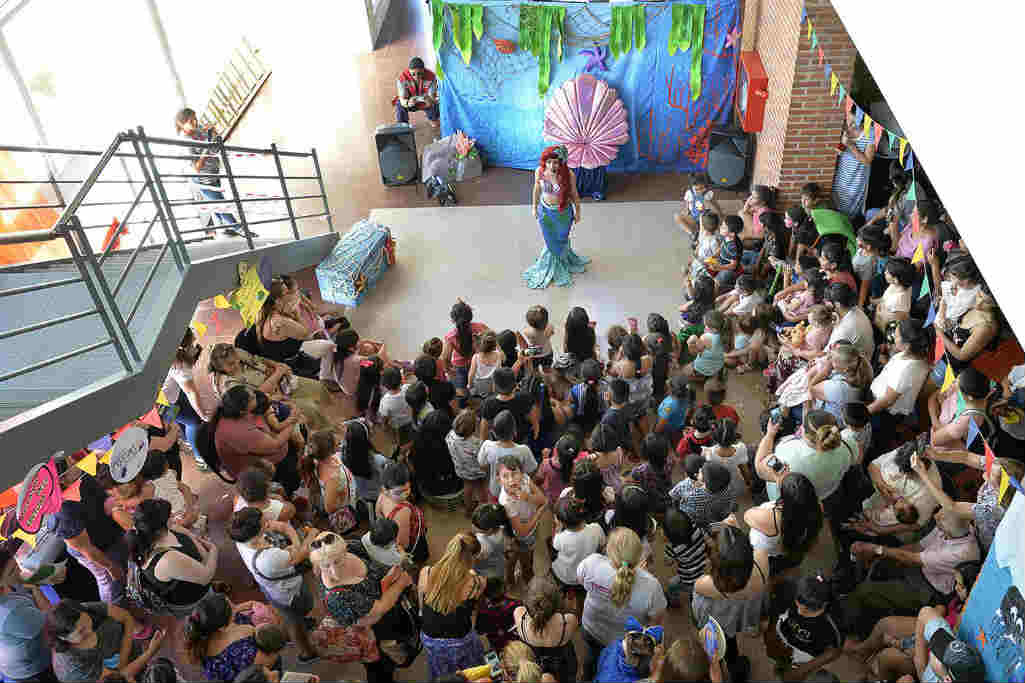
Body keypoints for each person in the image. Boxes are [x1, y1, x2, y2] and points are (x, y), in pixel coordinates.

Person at [844, 507, 980, 639]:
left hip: (929, 590)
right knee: (879, 566)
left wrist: (876, 549)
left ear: (948, 533)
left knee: (866, 591)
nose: (937, 528)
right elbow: (918, 546)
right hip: (919, 569)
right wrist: (882, 557)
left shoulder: (960, 552)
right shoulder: (952, 525)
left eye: (940, 527)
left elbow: (912, 558)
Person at [310, 530, 413, 683]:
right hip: (370, 631)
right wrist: (399, 584)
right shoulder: (337, 597)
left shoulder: (353, 547)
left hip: (382, 615)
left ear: (345, 550)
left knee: (388, 658)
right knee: (379, 667)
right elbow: (380, 608)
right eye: (326, 566)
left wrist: (387, 579)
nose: (334, 571)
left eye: (338, 561)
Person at [228, 507, 318, 662]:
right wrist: (310, 536)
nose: (268, 523)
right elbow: (300, 555)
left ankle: (299, 624)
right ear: (257, 532)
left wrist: (292, 547)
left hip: (270, 586)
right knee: (294, 621)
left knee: (292, 615)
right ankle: (306, 652)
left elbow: (282, 527)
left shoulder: (241, 538)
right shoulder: (268, 558)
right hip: (287, 592)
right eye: (264, 522)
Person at [577, 528, 667, 680]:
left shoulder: (591, 563)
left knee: (591, 658)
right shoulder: (651, 586)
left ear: (608, 550)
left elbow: (580, 582)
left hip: (592, 628)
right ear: (639, 557)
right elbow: (655, 622)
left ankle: (587, 676)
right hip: (627, 644)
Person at [692, 524, 769, 681]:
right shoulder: (761, 568)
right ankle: (737, 674)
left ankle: (717, 667)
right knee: (732, 651)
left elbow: (697, 606)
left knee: (716, 651)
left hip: (715, 626)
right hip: (737, 621)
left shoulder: (704, 585)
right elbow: (757, 552)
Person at [914, 448, 1023, 552]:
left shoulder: (995, 508)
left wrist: (923, 474)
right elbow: (966, 457)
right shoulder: (1002, 468)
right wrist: (937, 455)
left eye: (989, 475)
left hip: (994, 541)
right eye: (988, 468)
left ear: (1000, 490)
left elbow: (953, 507)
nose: (984, 474)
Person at [125, 499, 218, 617]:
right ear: (162, 525)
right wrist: (214, 550)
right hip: (193, 599)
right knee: (211, 615)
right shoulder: (166, 559)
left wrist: (205, 555)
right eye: (170, 515)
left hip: (196, 577)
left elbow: (190, 536)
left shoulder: (165, 531)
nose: (174, 514)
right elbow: (206, 576)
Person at [208, 343, 329, 432]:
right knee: (311, 409)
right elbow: (256, 396)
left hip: (280, 382)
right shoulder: (229, 386)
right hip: (270, 401)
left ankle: (325, 416)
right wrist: (278, 373)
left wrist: (277, 365)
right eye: (231, 364)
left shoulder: (236, 353)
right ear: (220, 368)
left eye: (236, 359)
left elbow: (259, 359)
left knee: (319, 387)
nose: (237, 363)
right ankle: (324, 433)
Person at [417, 533, 487, 679]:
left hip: (430, 637)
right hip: (460, 638)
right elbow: (473, 615)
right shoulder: (477, 583)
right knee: (471, 666)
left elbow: (421, 607)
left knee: (440, 670)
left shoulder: (426, 572)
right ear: (472, 558)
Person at [49, 598, 164, 682]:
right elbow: (117, 678)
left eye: (88, 622)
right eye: (81, 632)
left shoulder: (80, 610)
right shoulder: (72, 663)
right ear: (63, 637)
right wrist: (151, 651)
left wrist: (123, 659)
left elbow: (125, 617)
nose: (90, 631)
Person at [755, 409, 855, 504]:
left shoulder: (788, 452)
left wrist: (769, 435)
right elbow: (857, 459)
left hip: (786, 502)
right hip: (823, 495)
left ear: (803, 431)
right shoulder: (849, 442)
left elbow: (760, 469)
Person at [524, 145, 590, 289]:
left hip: (563, 214)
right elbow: (536, 189)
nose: (552, 165)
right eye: (549, 162)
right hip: (545, 212)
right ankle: (550, 266)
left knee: (561, 239)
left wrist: (578, 211)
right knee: (549, 240)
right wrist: (534, 207)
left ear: (561, 162)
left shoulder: (568, 174)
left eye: (555, 162)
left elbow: (574, 194)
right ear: (545, 162)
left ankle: (563, 262)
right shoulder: (539, 172)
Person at [174, 107, 242, 237]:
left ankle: (225, 228)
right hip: (203, 178)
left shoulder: (198, 130)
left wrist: (214, 135)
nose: (195, 122)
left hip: (213, 173)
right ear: (181, 124)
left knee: (216, 202)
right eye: (191, 120)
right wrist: (206, 148)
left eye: (195, 119)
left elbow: (214, 150)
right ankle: (239, 228)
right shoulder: (185, 142)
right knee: (220, 204)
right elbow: (196, 168)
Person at [867, 320, 932, 455]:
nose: (893, 338)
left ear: (907, 345)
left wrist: (865, 412)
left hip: (882, 411)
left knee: (875, 443)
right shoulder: (915, 355)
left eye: (896, 337)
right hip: (879, 403)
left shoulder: (906, 370)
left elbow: (888, 400)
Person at [765, 574, 844, 681]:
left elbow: (834, 651)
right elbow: (775, 611)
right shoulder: (791, 590)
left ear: (824, 605)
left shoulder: (835, 621)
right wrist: (771, 634)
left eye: (807, 610)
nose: (799, 612)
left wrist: (802, 669)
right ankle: (782, 665)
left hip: (806, 652)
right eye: (798, 604)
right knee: (777, 656)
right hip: (784, 635)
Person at [183, 593, 277, 683]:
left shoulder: (202, 637)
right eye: (232, 607)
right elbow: (271, 661)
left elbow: (231, 611)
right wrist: (271, 628)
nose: (236, 607)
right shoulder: (243, 653)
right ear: (222, 628)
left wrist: (249, 604)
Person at [745, 472, 823, 579]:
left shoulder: (773, 518)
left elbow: (747, 515)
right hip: (796, 551)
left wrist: (779, 485)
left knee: (772, 571)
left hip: (772, 555)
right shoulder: (818, 508)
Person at [0, 546, 54, 683]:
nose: (19, 570)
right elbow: (52, 619)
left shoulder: (7, 585)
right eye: (12, 571)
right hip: (33, 670)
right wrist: (35, 588)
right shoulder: (11, 613)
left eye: (16, 563)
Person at [251, 279, 321, 378]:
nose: (289, 294)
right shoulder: (279, 322)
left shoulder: (266, 311)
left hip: (292, 357)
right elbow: (307, 335)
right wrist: (296, 313)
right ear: (278, 300)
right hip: (288, 367)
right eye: (286, 292)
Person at [514, 576, 579, 683]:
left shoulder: (519, 614)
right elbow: (574, 620)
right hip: (562, 662)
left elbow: (522, 609)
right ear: (557, 601)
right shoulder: (568, 621)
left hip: (535, 662)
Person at [498, 457, 548, 587]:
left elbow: (542, 499)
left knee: (523, 554)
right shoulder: (507, 502)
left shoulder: (525, 479)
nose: (511, 480)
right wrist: (540, 512)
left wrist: (528, 497)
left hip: (531, 525)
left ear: (522, 473)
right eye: (505, 476)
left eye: (514, 474)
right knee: (524, 558)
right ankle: (525, 579)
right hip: (518, 533)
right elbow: (523, 531)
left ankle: (516, 576)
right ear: (499, 479)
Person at [162, 327, 208, 461]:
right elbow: (191, 393)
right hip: (168, 402)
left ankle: (185, 438)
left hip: (168, 396)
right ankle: (199, 456)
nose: (195, 343)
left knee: (179, 418)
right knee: (194, 422)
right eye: (192, 343)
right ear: (182, 347)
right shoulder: (180, 366)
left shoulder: (166, 351)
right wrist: (203, 415)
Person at [550, 497, 606, 609]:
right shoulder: (596, 529)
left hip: (565, 575)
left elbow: (554, 545)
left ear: (562, 522)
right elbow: (602, 545)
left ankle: (565, 599)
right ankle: (580, 608)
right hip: (586, 575)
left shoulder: (560, 538)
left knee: (563, 587)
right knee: (581, 595)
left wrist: (556, 528)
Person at [300, 430, 358, 534]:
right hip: (342, 512)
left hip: (325, 499)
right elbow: (330, 508)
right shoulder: (333, 476)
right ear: (332, 449)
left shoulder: (313, 460)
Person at [376, 462, 429, 564]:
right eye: (399, 492)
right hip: (413, 541)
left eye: (407, 489)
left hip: (392, 538)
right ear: (386, 490)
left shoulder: (382, 496)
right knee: (420, 558)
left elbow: (378, 516)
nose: (405, 495)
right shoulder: (403, 512)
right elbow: (405, 544)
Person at [661, 507, 708, 616]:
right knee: (694, 590)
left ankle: (673, 601)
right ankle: (694, 596)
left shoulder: (672, 548)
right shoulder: (697, 529)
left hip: (688, 577)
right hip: (703, 569)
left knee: (671, 585)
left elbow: (668, 562)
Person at [831, 106, 876, 218]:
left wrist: (851, 145)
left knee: (847, 212)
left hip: (856, 178)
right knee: (834, 203)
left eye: (853, 123)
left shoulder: (870, 133)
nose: (850, 125)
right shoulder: (844, 127)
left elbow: (867, 161)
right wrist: (841, 145)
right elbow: (838, 150)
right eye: (848, 120)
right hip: (841, 174)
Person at [342, 418, 390, 520]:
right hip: (377, 496)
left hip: (359, 495)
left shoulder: (344, 456)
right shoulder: (379, 460)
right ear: (366, 438)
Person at [447, 408, 487, 516]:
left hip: (461, 469)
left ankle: (468, 508)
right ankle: (483, 509)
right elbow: (483, 459)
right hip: (477, 472)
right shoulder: (476, 444)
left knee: (467, 488)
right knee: (481, 489)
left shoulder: (450, 435)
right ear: (473, 429)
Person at [393, 57, 439, 126]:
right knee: (399, 103)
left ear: (424, 70)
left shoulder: (431, 77)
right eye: (413, 74)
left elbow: (432, 97)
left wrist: (430, 100)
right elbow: (402, 99)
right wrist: (408, 103)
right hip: (410, 102)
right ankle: (403, 124)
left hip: (425, 102)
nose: (416, 77)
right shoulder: (402, 79)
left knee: (437, 102)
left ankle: (433, 118)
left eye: (419, 73)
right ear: (409, 71)